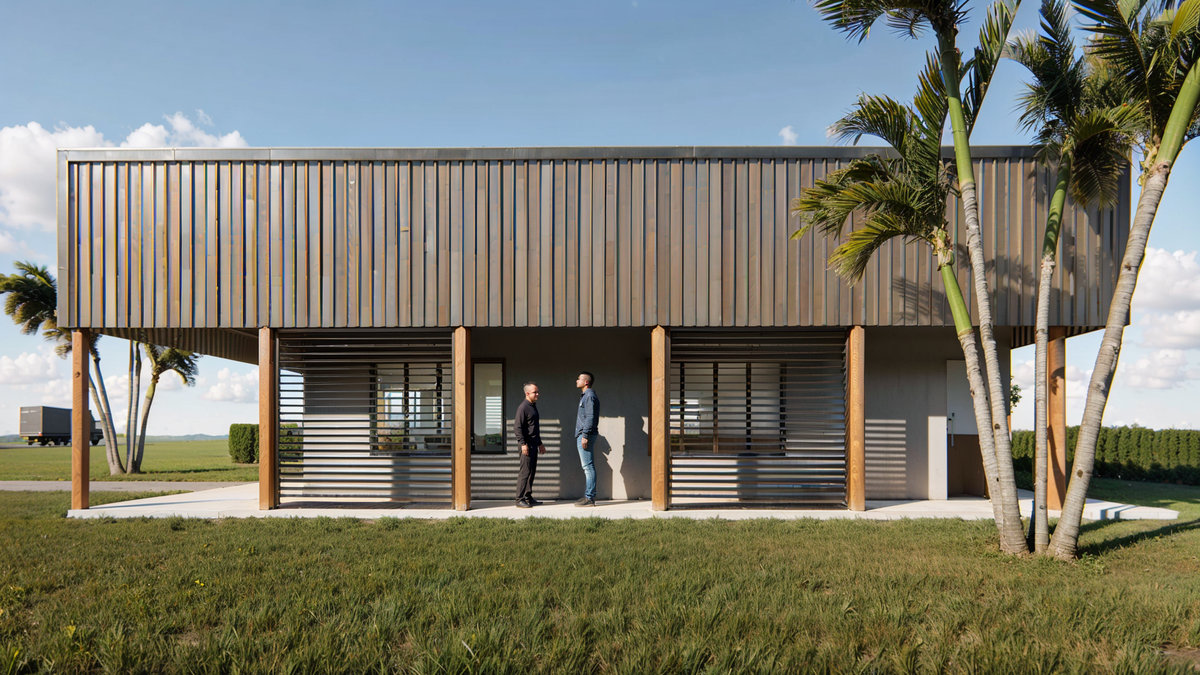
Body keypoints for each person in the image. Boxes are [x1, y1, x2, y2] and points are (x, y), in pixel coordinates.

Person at [513, 382, 546, 508]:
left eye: (537, 392)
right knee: (525, 472)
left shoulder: (533, 406)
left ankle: (528, 497)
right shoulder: (523, 407)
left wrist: (540, 443)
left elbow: (534, 428)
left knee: (532, 471)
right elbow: (517, 427)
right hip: (526, 445)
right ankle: (519, 499)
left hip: (533, 445)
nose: (537, 394)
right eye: (535, 392)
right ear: (527, 393)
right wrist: (523, 444)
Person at [574, 371, 599, 507]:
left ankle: (589, 498)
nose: (576, 381)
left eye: (579, 379)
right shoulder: (586, 396)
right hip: (584, 434)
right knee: (587, 466)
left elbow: (590, 417)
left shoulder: (589, 396)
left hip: (585, 435)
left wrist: (585, 435)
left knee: (588, 467)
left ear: (586, 382)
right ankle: (588, 496)